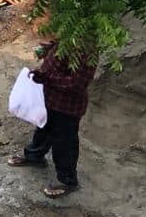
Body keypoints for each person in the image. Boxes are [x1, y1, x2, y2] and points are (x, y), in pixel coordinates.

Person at [10, 35, 93, 198]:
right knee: (43, 127)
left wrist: (47, 79)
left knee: (64, 143)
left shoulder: (87, 49)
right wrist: (50, 49)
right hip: (50, 98)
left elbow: (77, 84)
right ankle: (35, 156)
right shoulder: (73, 33)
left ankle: (68, 180)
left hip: (67, 107)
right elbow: (63, 49)